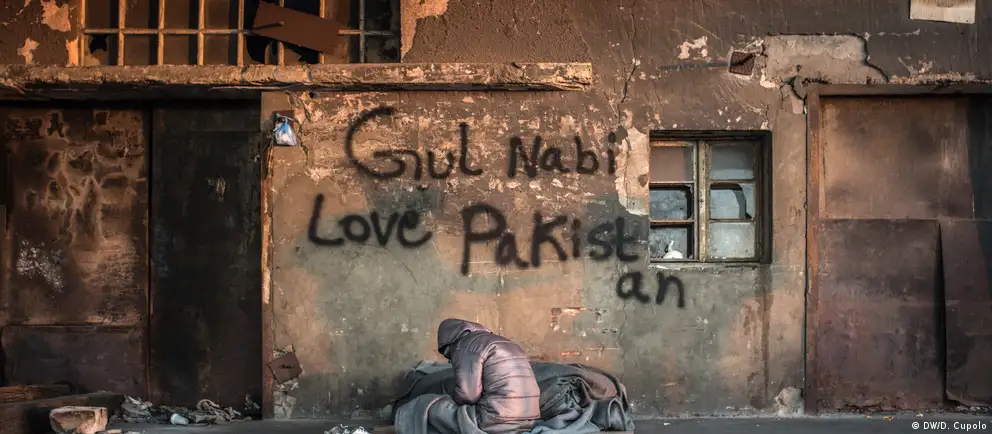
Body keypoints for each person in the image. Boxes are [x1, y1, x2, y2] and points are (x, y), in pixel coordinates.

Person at [436, 318, 542, 434]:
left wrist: (450, 398)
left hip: (495, 420)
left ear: (448, 342)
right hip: (528, 421)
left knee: (430, 406)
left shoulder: (464, 344)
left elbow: (468, 396)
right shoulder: (506, 342)